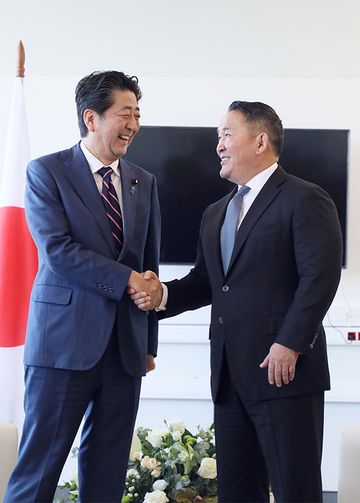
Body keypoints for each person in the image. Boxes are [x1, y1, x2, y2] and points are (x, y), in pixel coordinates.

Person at [130, 101, 343, 502]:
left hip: (284, 374)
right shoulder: (216, 212)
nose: (218, 146)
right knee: (237, 492)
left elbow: (320, 276)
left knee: (295, 490)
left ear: (260, 140)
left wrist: (290, 342)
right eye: (218, 138)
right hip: (229, 377)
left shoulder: (304, 198)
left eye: (227, 134)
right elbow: (207, 282)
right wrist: (161, 295)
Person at [5, 70, 162, 503]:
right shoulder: (46, 172)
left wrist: (148, 342)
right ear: (91, 118)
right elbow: (57, 251)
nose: (134, 124)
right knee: (39, 470)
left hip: (125, 350)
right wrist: (126, 279)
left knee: (107, 473)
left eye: (137, 114)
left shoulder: (143, 182)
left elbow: (148, 265)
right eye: (124, 113)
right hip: (62, 345)